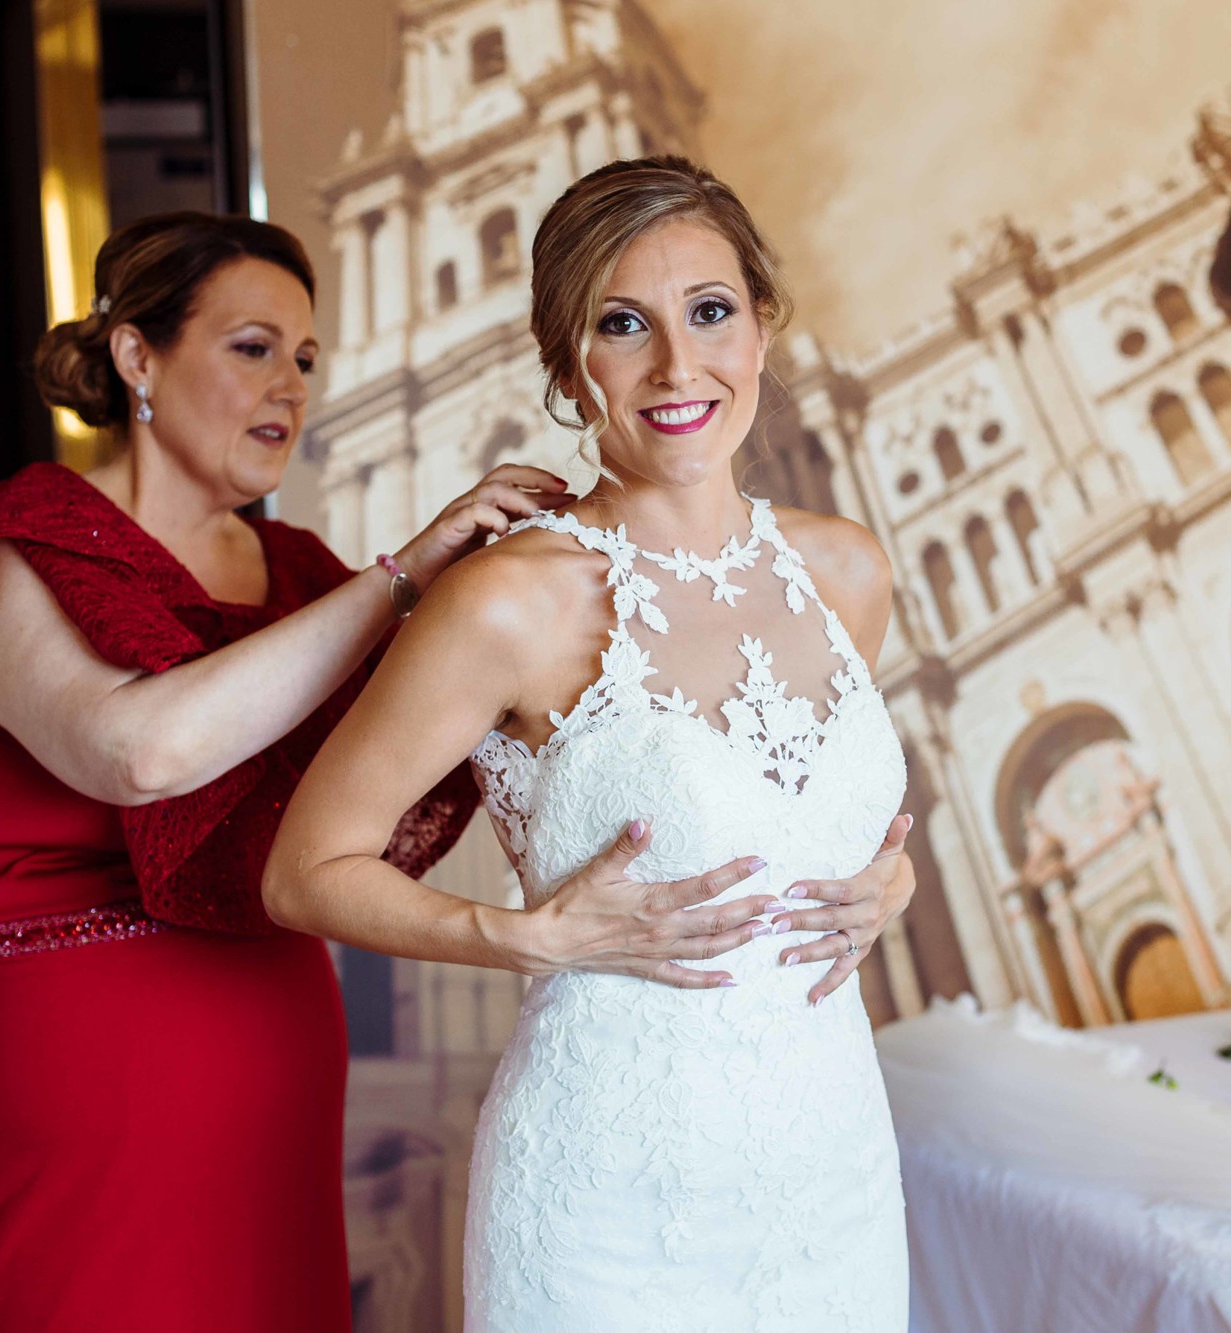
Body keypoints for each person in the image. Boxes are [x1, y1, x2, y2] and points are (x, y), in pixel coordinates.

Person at [0, 211, 734, 1331]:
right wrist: (402, 577)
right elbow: (142, 751)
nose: (287, 385)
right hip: (61, 1064)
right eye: (251, 347)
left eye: (303, 358)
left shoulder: (294, 571)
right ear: (137, 357)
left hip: (271, 1044)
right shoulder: (13, 544)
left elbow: (442, 759)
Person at [265, 157, 917, 1330]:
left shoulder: (847, 572)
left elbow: (811, 822)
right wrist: (516, 936)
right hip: (605, 1206)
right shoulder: (509, 603)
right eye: (624, 325)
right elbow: (302, 867)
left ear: (760, 329)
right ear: (571, 367)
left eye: (709, 312)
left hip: (832, 1177)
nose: (677, 366)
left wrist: (888, 878)